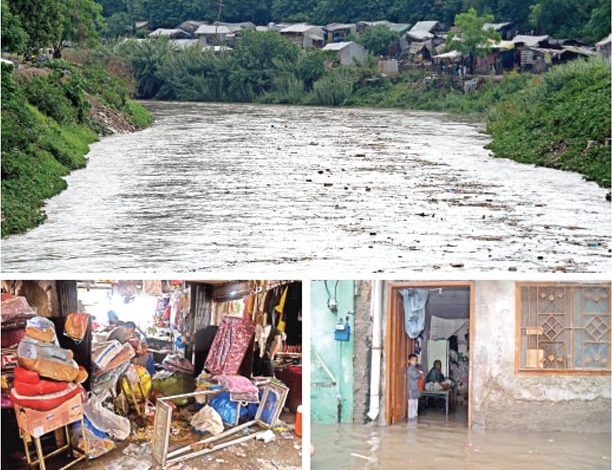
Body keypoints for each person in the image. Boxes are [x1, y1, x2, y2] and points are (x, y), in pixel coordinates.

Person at [407, 353, 424, 420]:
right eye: (413, 360)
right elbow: (416, 375)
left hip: (415, 389)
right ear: (409, 361)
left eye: (415, 360)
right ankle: (411, 417)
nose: (414, 361)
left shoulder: (414, 368)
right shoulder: (410, 369)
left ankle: (414, 416)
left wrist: (419, 373)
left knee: (415, 404)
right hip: (411, 389)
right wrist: (420, 374)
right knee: (411, 404)